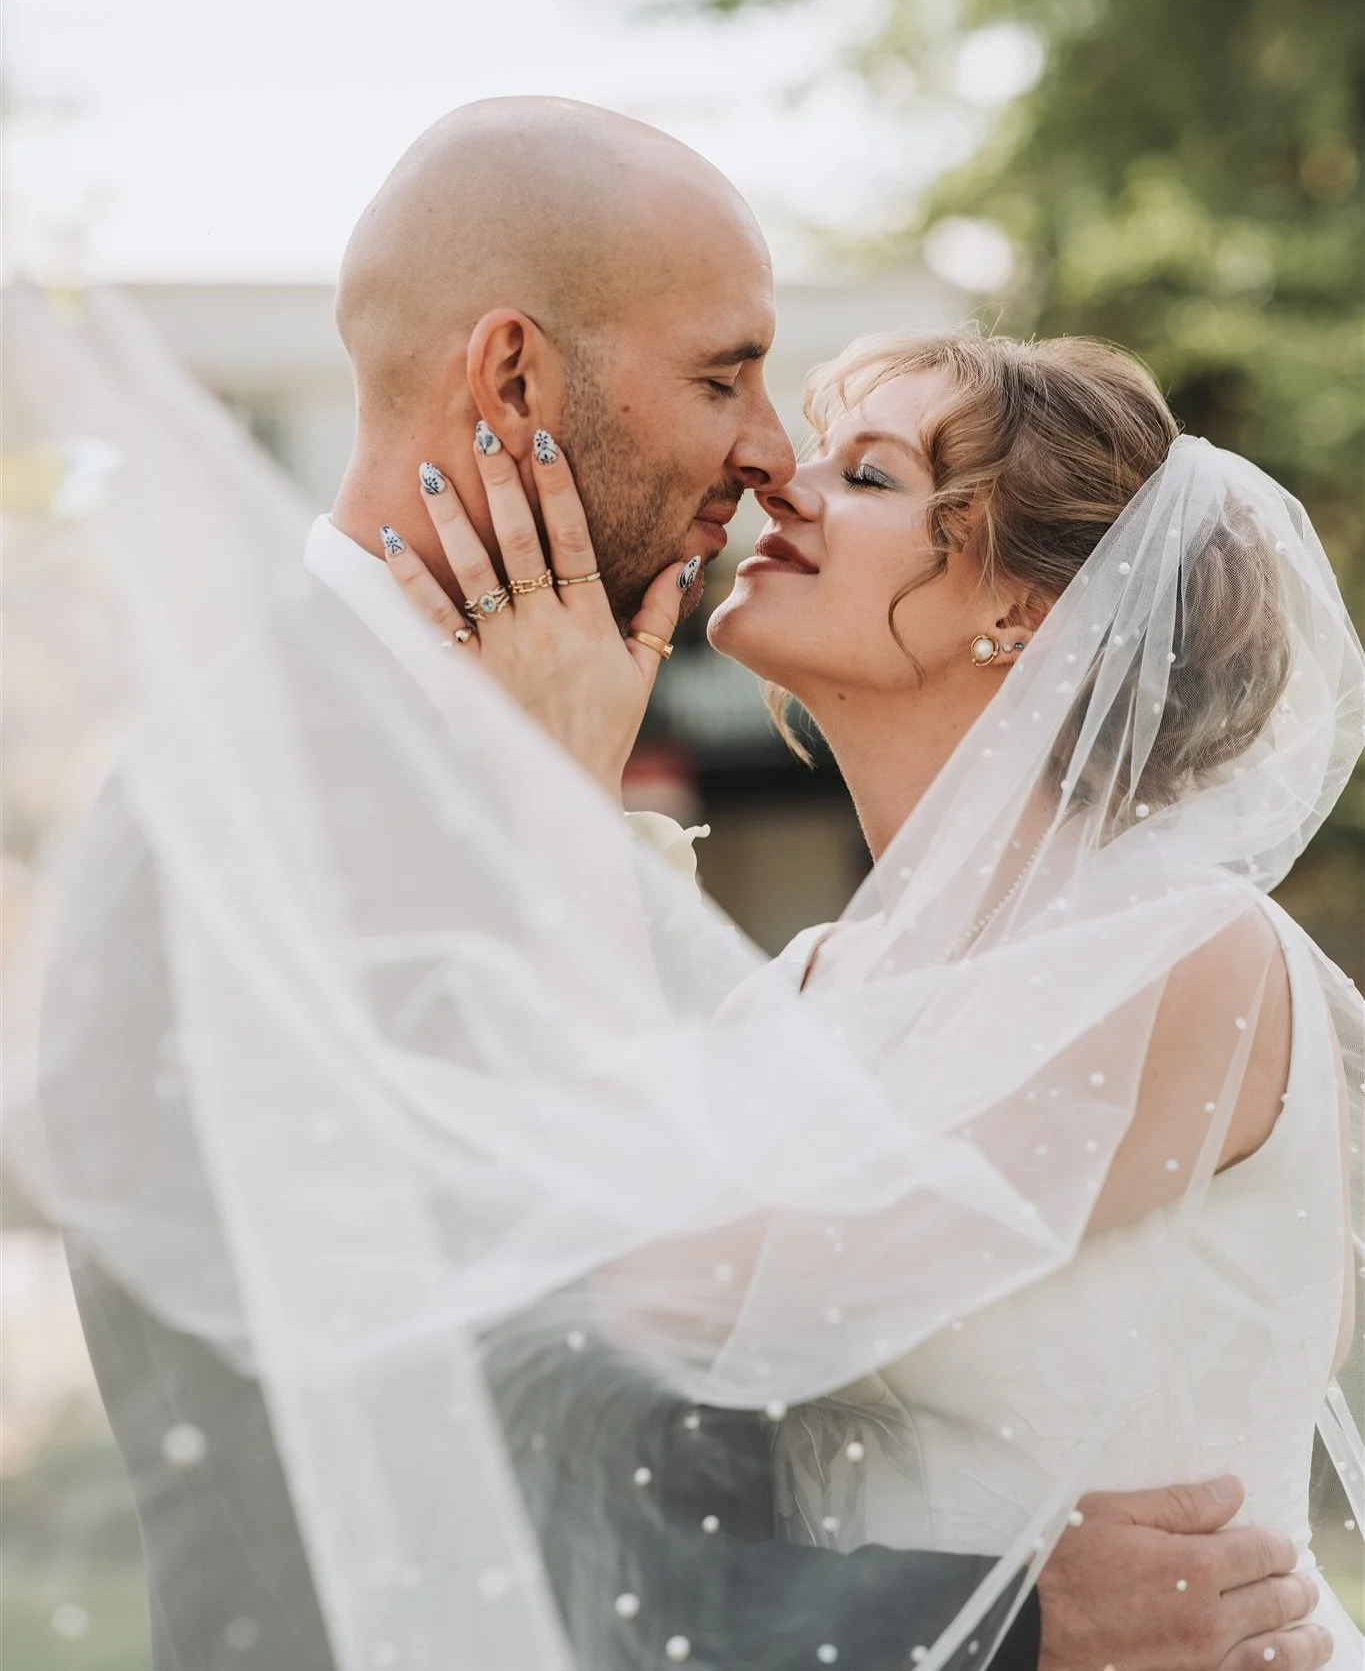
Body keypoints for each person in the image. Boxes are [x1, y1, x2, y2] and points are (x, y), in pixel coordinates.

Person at [31, 100, 1349, 1671]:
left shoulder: (1168, 954)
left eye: (864, 470)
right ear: (512, 380)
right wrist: (1003, 1627)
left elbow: (673, 1303)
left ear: (1023, 606)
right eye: (727, 378)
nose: (775, 464)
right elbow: (376, 1449)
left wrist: (556, 824)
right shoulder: (249, 821)